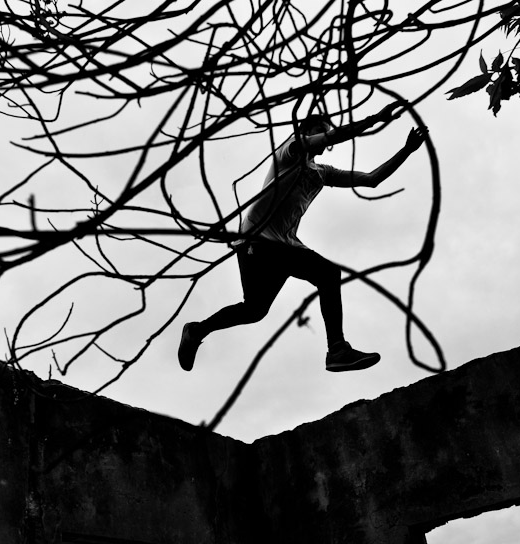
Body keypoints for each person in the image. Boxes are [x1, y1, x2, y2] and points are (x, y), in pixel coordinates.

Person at [178, 104, 427, 372]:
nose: (325, 137)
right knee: (328, 273)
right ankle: (337, 350)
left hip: (279, 245)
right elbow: (333, 137)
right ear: (305, 131)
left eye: (326, 131)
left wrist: (406, 151)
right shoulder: (291, 150)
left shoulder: (321, 173)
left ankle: (196, 330)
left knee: (255, 310)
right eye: (320, 130)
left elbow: (371, 179)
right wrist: (375, 119)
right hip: (258, 239)